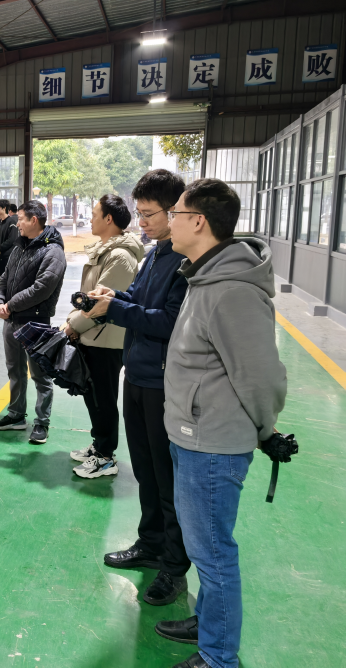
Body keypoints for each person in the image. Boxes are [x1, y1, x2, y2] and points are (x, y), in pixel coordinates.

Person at [154, 179, 286, 668]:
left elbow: (261, 375)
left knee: (213, 554)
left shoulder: (232, 292)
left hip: (211, 444)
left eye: (175, 213)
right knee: (203, 546)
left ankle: (218, 656)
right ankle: (210, 622)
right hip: (192, 435)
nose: (169, 221)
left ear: (198, 221)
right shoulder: (204, 277)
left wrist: (267, 429)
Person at [84, 170, 191, 607]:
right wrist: (114, 299)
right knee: (146, 470)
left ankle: (174, 567)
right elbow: (141, 303)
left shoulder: (183, 262)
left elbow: (169, 321)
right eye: (140, 213)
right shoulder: (153, 253)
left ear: (176, 211)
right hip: (138, 374)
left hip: (162, 383)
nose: (141, 222)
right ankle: (150, 543)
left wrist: (116, 311)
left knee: (167, 479)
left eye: (149, 214)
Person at [64, 194, 144, 478]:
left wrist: (71, 326)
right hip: (93, 335)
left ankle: (106, 456)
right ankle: (99, 445)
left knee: (103, 398)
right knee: (94, 396)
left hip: (106, 340)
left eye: (95, 214)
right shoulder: (106, 250)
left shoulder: (120, 257)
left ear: (109, 219)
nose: (90, 219)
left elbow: (99, 306)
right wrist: (74, 323)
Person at [0, 200, 66, 444]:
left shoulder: (53, 252)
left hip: (35, 322)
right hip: (11, 320)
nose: (17, 223)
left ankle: (42, 422)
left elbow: (41, 288)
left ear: (34, 220)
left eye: (20, 218)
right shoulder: (19, 247)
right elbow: (4, 278)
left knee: (40, 375)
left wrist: (10, 305)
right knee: (15, 370)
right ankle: (16, 415)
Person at [0, 199, 20, 277]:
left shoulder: (11, 222)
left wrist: (0, 249)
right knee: (1, 278)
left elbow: (12, 239)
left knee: (9, 278)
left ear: (4, 208)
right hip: (0, 256)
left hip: (9, 257)